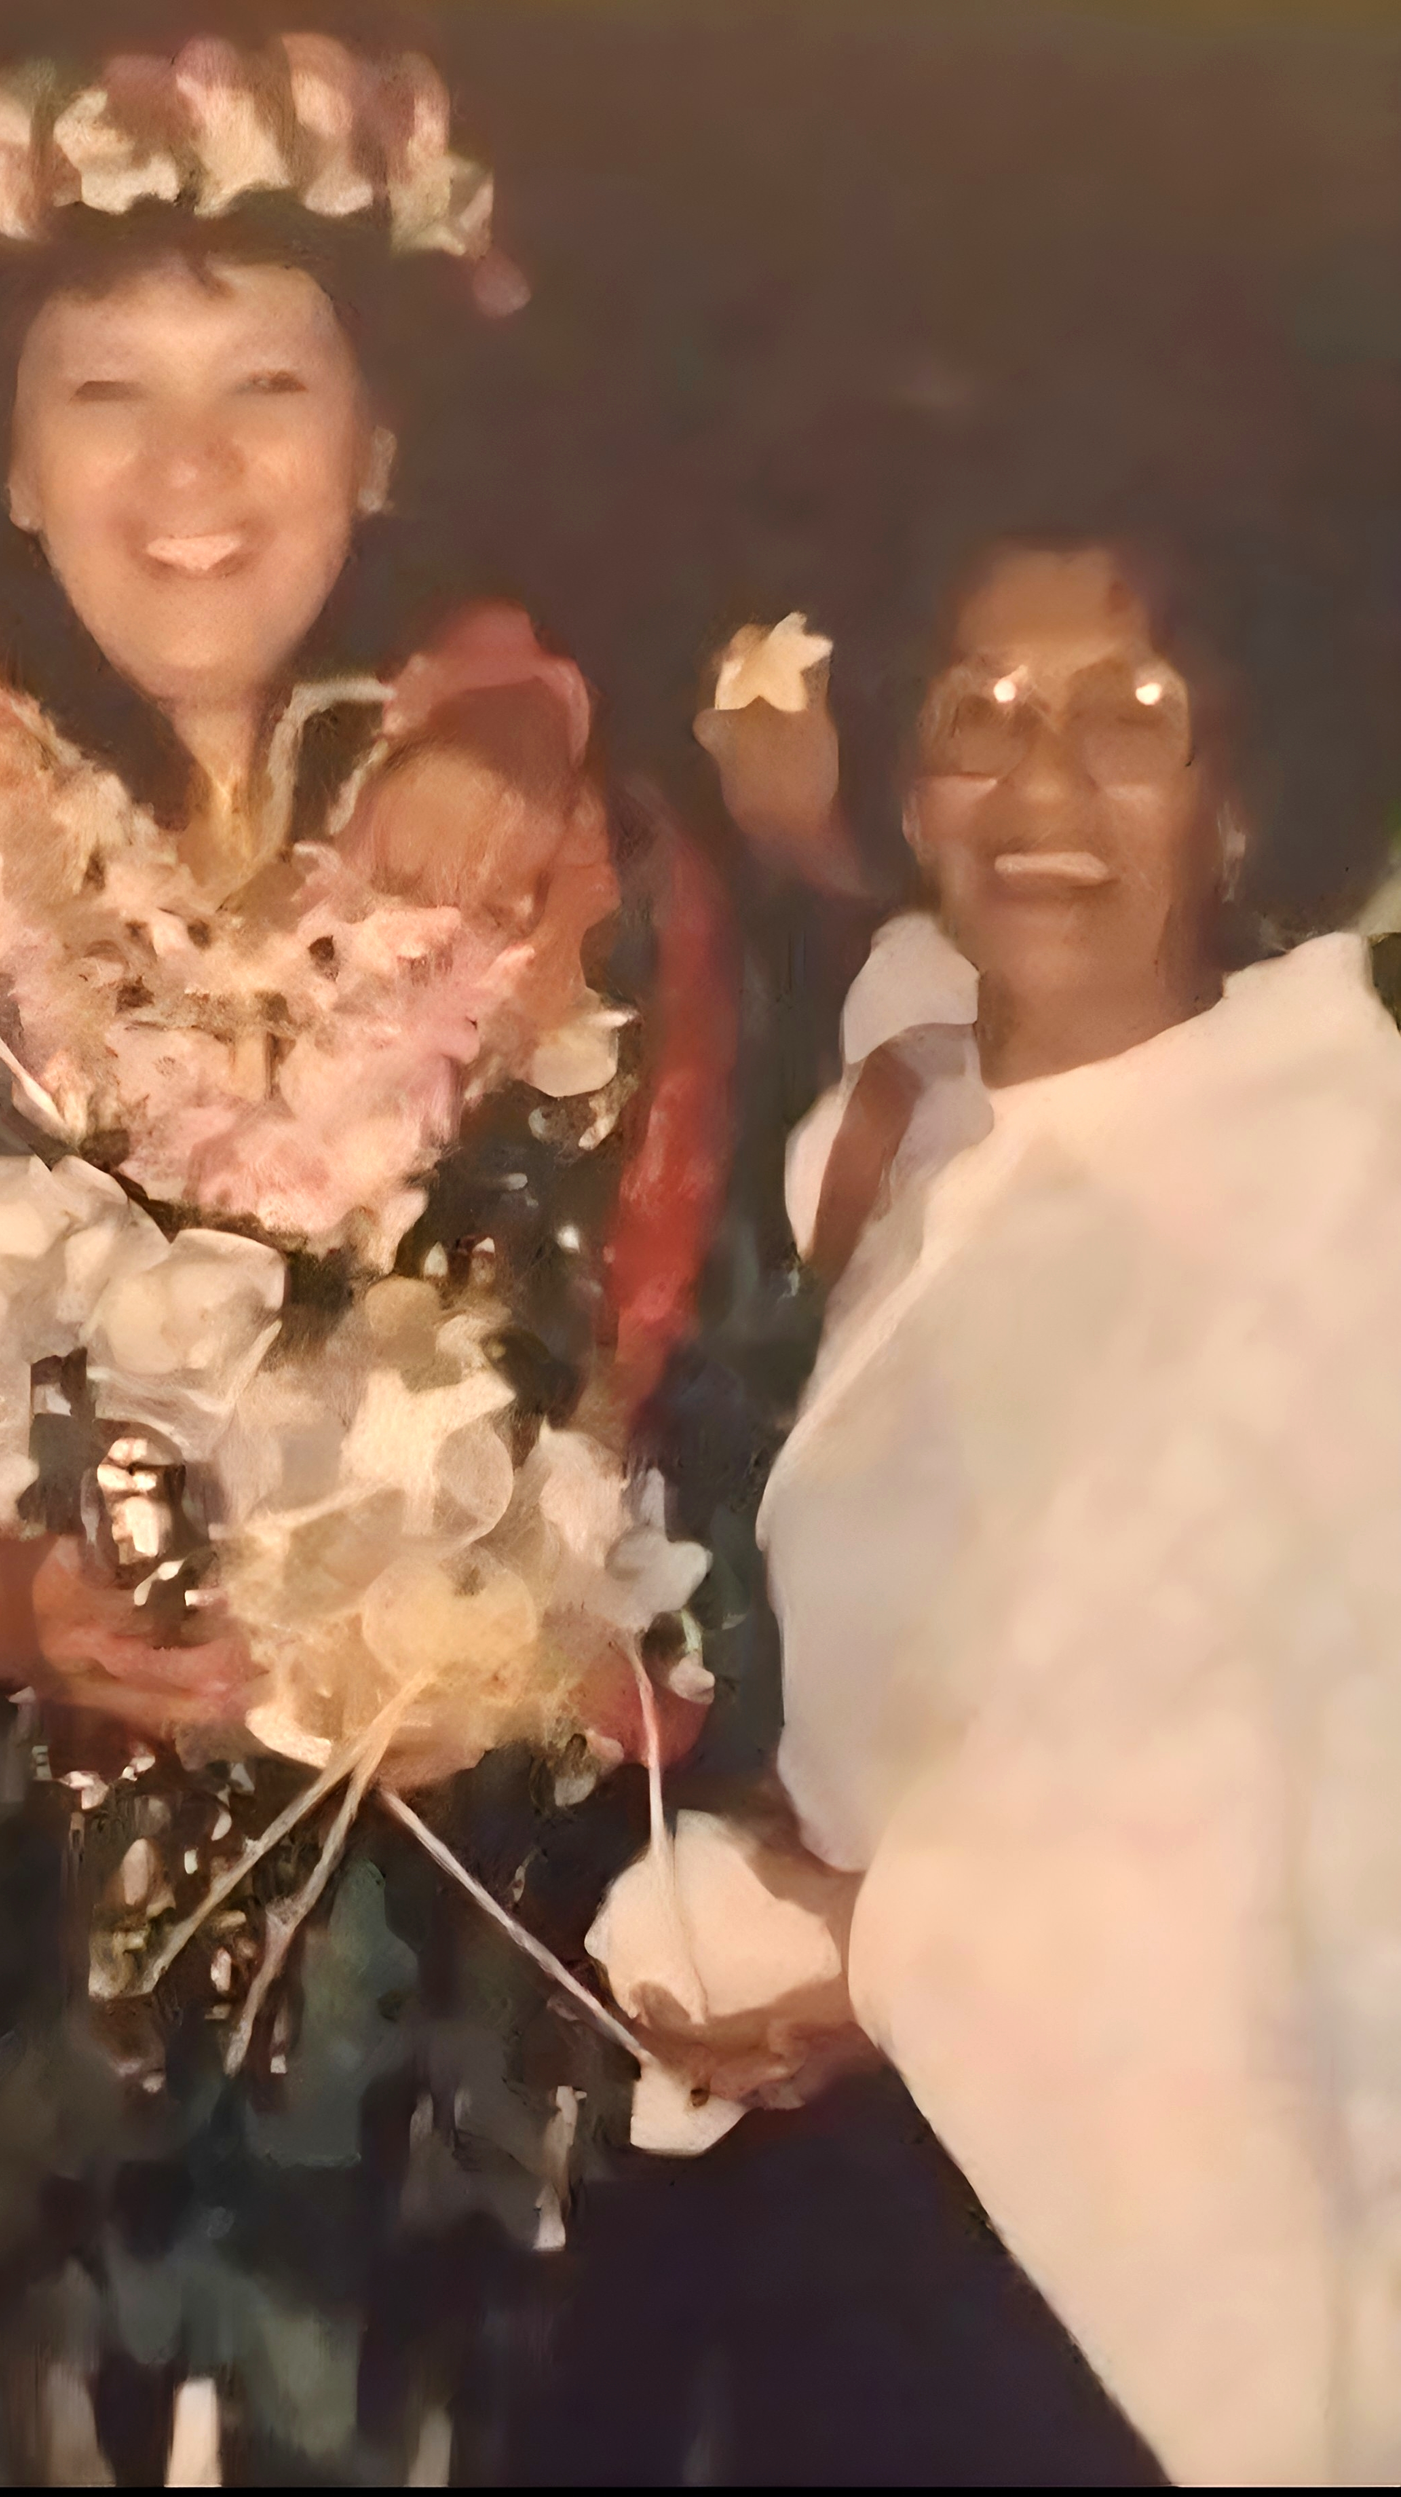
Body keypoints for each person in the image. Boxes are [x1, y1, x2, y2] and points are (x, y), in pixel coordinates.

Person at [0, 33, 746, 2482]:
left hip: (459, 2014)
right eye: (102, 392)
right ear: (8, 460)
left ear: (378, 442)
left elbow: (727, 1395)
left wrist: (569, 1645)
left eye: (267, 385)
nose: (189, 468)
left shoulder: (583, 864)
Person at [626, 532, 1401, 2485]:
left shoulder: (1337, 1183)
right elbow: (908, 953)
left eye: (1127, 716)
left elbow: (1343, 1804)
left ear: (1235, 796)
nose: (1039, 783)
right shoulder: (911, 1102)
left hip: (1142, 2229)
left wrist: (894, 1951)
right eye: (976, 714)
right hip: (842, 2178)